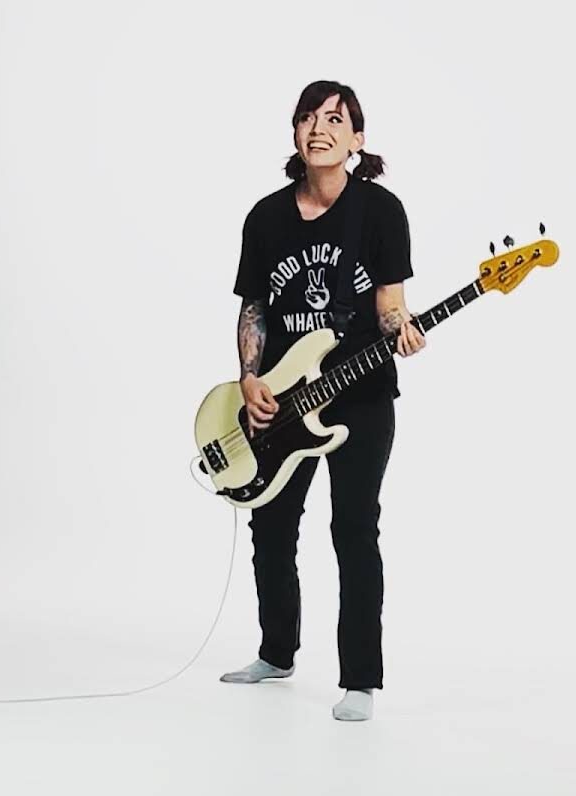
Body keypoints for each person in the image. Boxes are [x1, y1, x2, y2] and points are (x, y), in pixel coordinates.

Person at [222, 79, 426, 721]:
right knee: (271, 525)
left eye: (336, 120)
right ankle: (277, 652)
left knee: (353, 527)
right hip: (282, 397)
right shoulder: (266, 217)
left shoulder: (381, 211)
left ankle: (360, 679)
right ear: (295, 134)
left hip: (360, 395)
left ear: (358, 140)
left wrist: (403, 330)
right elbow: (254, 307)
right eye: (308, 117)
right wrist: (251, 378)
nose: (320, 128)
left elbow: (388, 304)